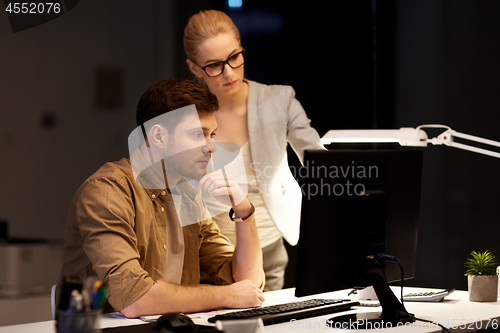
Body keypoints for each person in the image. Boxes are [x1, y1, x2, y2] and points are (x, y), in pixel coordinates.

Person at [59, 78, 265, 318]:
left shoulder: (185, 193)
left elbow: (248, 284)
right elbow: (134, 299)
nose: (211, 147)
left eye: (212, 134)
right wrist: (226, 295)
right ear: (158, 136)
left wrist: (244, 212)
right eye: (199, 134)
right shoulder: (106, 191)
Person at [184, 10, 325, 291]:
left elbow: (317, 157)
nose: (229, 73)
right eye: (213, 65)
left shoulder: (279, 100)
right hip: (205, 253)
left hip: (267, 248)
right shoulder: (184, 113)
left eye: (234, 57)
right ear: (194, 68)